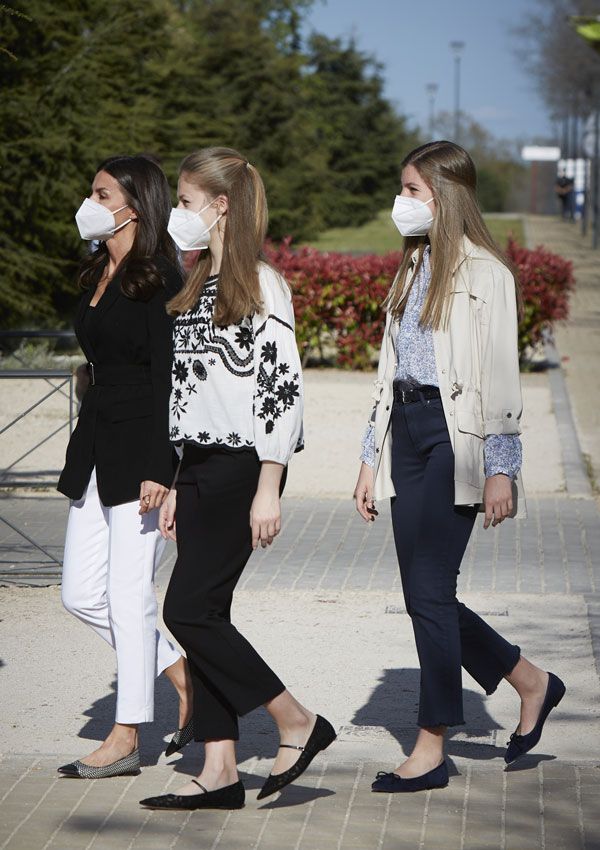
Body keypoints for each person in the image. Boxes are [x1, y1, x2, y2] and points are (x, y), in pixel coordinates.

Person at [353, 141, 566, 794]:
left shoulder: (487, 275)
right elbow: (390, 373)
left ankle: (430, 746)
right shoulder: (410, 267)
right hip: (407, 436)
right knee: (428, 594)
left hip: (458, 440)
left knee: (427, 590)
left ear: (446, 196)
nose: (403, 202)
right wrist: (368, 456)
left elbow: (503, 378)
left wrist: (502, 466)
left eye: (413, 190)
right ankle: (531, 681)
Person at [139, 147, 335, 812]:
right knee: (205, 616)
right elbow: (186, 395)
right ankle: (219, 768)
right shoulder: (196, 284)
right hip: (195, 469)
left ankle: (296, 721)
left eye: (187, 203)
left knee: (185, 610)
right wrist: (171, 478)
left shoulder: (261, 284)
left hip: (240, 469)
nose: (178, 217)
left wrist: (269, 485)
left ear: (220, 206)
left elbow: (281, 391)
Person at [57, 155, 193, 779]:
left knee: (129, 598)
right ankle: (182, 673)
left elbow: (171, 380)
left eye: (101, 192)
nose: (90, 201)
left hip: (142, 457)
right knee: (81, 593)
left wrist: (162, 468)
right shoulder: (98, 270)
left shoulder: (162, 279)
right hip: (93, 450)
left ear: (133, 205)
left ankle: (127, 734)